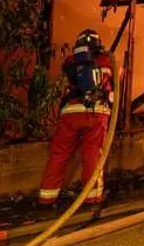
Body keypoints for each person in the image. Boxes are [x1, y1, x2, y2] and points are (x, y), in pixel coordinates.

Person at [38, 29, 115, 208]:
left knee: (59, 154)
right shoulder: (106, 61)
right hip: (95, 113)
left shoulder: (70, 61)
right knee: (92, 156)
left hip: (70, 113)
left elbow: (65, 84)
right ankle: (92, 198)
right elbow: (115, 84)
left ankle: (46, 197)